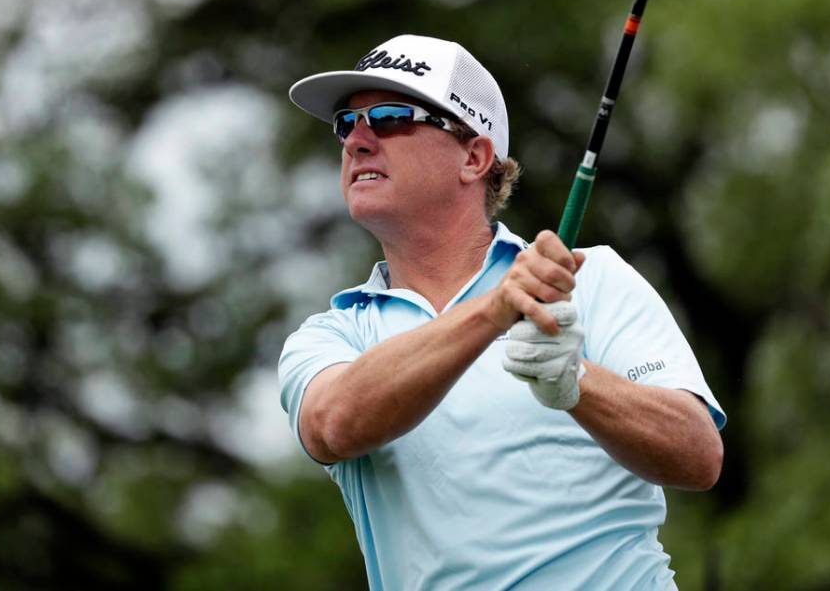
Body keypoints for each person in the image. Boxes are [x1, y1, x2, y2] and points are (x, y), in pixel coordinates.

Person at [279, 34, 726, 590]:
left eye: (391, 118)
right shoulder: (333, 333)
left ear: (474, 157)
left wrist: (577, 381)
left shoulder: (592, 278)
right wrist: (496, 309)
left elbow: (698, 455)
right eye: (347, 123)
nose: (357, 141)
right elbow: (334, 423)